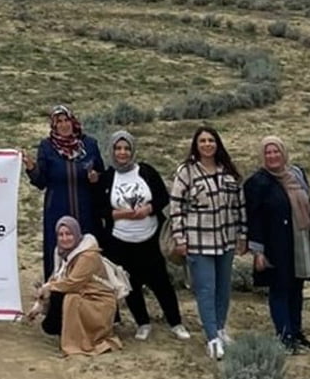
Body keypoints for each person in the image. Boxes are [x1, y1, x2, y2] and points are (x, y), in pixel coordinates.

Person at [96, 130, 189, 341]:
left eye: (126, 148)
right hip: (120, 241)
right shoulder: (108, 177)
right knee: (132, 285)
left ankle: (176, 323)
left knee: (161, 283)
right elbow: (99, 209)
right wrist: (120, 214)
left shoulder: (146, 171)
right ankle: (143, 323)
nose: (122, 152)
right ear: (112, 151)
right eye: (118, 148)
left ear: (132, 150)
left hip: (150, 238)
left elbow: (163, 197)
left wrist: (148, 209)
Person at [169, 126, 246, 360]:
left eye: (211, 140)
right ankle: (211, 337)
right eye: (202, 141)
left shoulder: (228, 171)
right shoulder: (187, 172)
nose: (207, 144)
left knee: (223, 288)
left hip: (226, 239)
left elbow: (239, 205)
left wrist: (243, 234)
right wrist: (180, 238)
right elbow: (176, 207)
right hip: (198, 240)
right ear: (196, 145)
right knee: (206, 289)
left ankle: (221, 329)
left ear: (217, 144)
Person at [243, 136, 310, 352]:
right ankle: (284, 335)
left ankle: (296, 332)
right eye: (267, 152)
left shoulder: (297, 174)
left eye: (276, 151)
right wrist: (257, 251)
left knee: (297, 287)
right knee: (279, 288)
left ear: (283, 153)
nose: (272, 156)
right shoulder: (257, 182)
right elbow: (254, 218)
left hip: (301, 239)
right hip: (274, 244)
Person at [22, 105, 105, 280]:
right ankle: (57, 301)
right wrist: (31, 168)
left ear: (73, 121)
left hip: (86, 211)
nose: (64, 125)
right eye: (59, 121)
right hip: (57, 210)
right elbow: (41, 181)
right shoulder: (47, 147)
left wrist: (96, 178)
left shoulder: (89, 145)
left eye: (66, 120)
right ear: (54, 125)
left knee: (88, 253)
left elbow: (102, 175)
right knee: (58, 254)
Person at [25, 216, 121, 357]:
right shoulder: (62, 253)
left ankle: (75, 341)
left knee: (69, 298)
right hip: (83, 294)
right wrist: (38, 305)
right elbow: (56, 278)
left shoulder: (87, 255)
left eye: (69, 234)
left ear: (76, 234)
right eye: (61, 235)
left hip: (98, 302)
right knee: (58, 294)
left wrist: (48, 288)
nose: (65, 238)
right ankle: (63, 332)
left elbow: (73, 283)